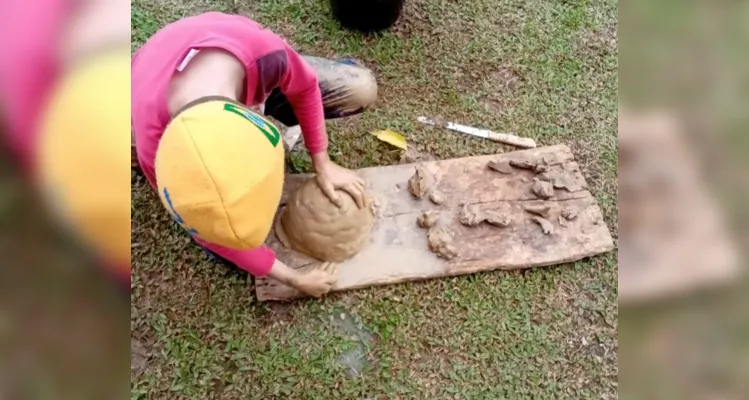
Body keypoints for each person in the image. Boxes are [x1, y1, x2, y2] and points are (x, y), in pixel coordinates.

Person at [131, 12, 378, 297]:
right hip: (147, 88)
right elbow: (212, 235)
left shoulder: (262, 52)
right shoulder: (158, 152)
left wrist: (323, 162)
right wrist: (294, 278)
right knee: (232, 252)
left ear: (254, 117)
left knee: (360, 88)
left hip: (235, 63)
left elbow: (305, 87)